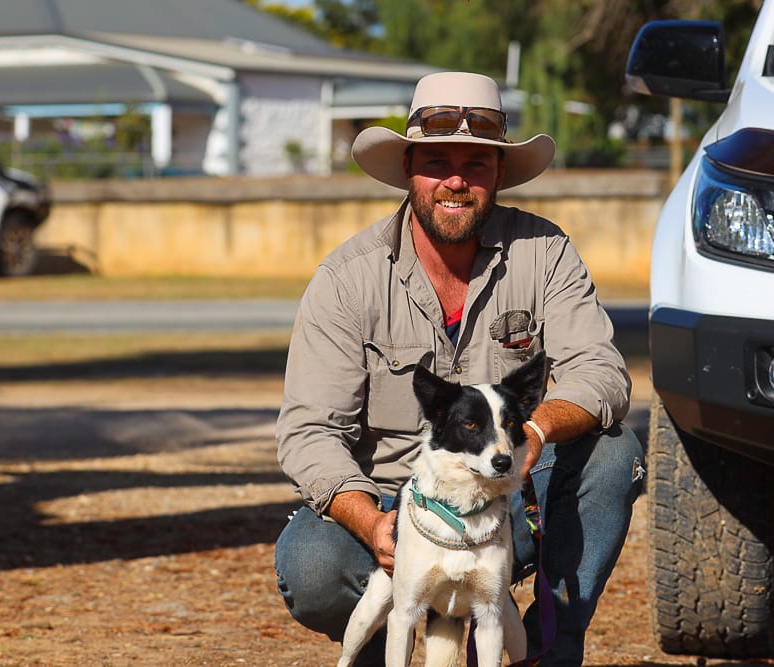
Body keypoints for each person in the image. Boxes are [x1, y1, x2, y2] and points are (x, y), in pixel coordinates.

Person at [274, 71, 645, 666]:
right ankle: (383, 643)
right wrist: (372, 523)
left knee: (613, 451)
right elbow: (308, 432)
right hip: (395, 504)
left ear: (499, 173)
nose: (455, 181)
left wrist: (534, 431)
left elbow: (601, 372)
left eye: (476, 164)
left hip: (508, 493)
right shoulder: (346, 279)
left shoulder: (545, 252)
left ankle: (544, 648)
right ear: (407, 169)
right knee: (312, 567)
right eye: (437, 162)